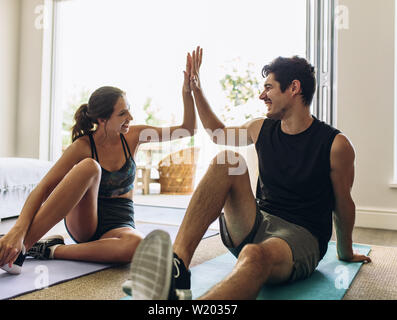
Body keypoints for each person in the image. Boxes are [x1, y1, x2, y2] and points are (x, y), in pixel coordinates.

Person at [128, 46, 372, 300]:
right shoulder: (260, 128)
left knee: (253, 256)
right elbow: (218, 134)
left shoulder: (335, 144)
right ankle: (177, 267)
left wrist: (345, 252)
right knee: (227, 161)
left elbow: (343, 202)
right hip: (255, 221)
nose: (261, 95)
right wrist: (197, 90)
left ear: (294, 88)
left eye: (268, 88)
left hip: (301, 236)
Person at [0, 53, 197, 275]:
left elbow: (188, 128)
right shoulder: (83, 146)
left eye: (129, 111)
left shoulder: (134, 136)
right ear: (102, 119)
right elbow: (44, 187)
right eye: (123, 113)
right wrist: (18, 229)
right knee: (90, 167)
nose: (131, 118)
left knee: (138, 245)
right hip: (86, 222)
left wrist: (188, 91)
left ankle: (49, 250)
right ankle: (20, 248)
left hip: (120, 224)